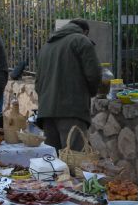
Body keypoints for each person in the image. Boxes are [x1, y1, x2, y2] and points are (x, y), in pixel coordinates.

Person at [35, 19, 101, 151]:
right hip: (71, 110)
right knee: (75, 159)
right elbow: (94, 75)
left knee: (52, 162)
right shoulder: (81, 41)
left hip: (46, 112)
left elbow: (38, 83)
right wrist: (91, 92)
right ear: (85, 32)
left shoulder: (46, 47)